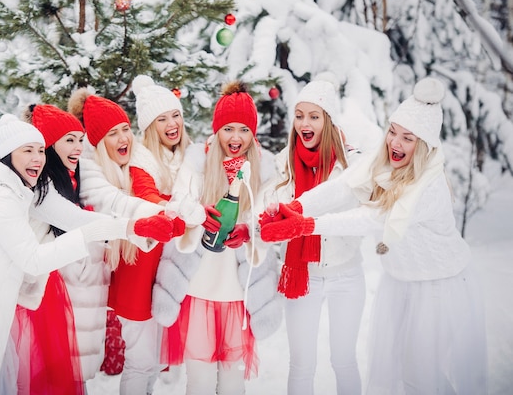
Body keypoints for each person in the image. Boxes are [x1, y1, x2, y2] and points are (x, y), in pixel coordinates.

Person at [0, 114, 177, 395]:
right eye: (28, 150)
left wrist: (133, 228)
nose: (38, 158)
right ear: (7, 155)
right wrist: (90, 237)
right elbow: (33, 258)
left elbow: (74, 218)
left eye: (40, 150)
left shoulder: (25, 190)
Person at [260, 77, 487, 395]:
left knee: (423, 376)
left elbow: (372, 218)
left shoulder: (428, 186)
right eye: (393, 131)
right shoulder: (384, 163)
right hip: (402, 279)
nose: (395, 143)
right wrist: (296, 206)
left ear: (424, 144)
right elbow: (343, 185)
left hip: (439, 283)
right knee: (403, 373)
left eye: (408, 138)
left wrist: (306, 225)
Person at [152, 81, 283, 394]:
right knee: (199, 379)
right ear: (216, 130)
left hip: (239, 290)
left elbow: (270, 218)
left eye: (243, 130)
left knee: (232, 380)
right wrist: (198, 214)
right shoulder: (197, 160)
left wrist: (249, 231)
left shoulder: (265, 168)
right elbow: (178, 203)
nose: (235, 137)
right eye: (227, 129)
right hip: (199, 286)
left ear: (253, 133)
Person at [65, 88, 185, 385]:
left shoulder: (135, 165)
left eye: (125, 130)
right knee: (141, 361)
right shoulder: (92, 172)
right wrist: (165, 211)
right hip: (130, 276)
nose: (123, 139)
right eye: (112, 134)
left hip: (150, 270)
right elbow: (117, 204)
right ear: (98, 142)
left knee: (151, 363)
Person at [268, 75, 365, 395]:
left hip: (346, 275)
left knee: (344, 360)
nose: (304, 124)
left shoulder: (353, 163)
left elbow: (364, 215)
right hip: (302, 276)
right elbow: (270, 210)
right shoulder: (283, 164)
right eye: (299, 115)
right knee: (301, 364)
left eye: (313, 116)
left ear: (328, 120)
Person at [102, 74, 192, 395]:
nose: (172, 124)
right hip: (140, 265)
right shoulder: (142, 158)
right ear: (148, 126)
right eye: (162, 118)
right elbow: (147, 198)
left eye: (176, 115)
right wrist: (183, 208)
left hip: (166, 266)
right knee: (141, 360)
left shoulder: (185, 156)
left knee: (153, 360)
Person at [10, 103, 89, 395]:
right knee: (25, 367)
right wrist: (134, 226)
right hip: (22, 285)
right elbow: (77, 220)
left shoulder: (58, 180)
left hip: (44, 280)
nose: (78, 147)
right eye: (69, 139)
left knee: (43, 366)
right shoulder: (40, 187)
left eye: (80, 139)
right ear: (50, 145)